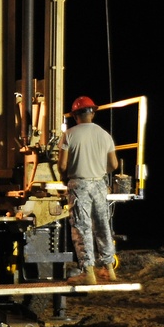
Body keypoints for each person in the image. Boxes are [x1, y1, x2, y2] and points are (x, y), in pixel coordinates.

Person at [58, 96, 119, 285]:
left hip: (79, 185)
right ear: (92, 113)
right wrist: (99, 171)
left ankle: (88, 273)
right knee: (102, 225)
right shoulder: (104, 135)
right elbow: (114, 164)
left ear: (75, 115)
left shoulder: (69, 135)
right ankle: (109, 269)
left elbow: (62, 165)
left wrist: (66, 176)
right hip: (99, 184)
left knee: (82, 228)